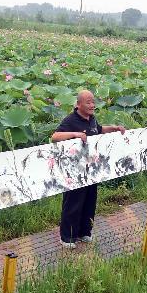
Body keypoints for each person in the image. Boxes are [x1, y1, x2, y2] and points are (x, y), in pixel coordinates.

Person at [51, 91, 126, 248]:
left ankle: (84, 232)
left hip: (91, 169)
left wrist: (114, 128)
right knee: (73, 203)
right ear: (78, 105)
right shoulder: (71, 120)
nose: (92, 105)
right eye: (88, 102)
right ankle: (67, 238)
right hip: (75, 170)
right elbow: (55, 137)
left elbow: (98, 129)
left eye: (93, 102)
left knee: (89, 201)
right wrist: (75, 134)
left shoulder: (91, 119)